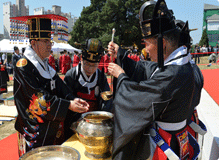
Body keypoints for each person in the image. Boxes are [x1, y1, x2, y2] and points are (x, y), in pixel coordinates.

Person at [107, 0, 204, 159]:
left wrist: (121, 76)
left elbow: (137, 99)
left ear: (162, 43)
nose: (145, 49)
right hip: (177, 136)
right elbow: (148, 69)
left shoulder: (173, 74)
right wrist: (121, 55)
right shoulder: (184, 66)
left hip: (164, 144)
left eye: (146, 43)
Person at [12, 15, 89, 157]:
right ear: (34, 43)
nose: (50, 45)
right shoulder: (23, 66)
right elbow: (38, 99)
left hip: (51, 126)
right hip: (34, 130)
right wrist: (68, 105)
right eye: (46, 41)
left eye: (50, 41)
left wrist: (73, 99)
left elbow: (61, 87)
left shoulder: (45, 64)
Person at [64, 38, 112, 140]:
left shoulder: (101, 76)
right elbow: (66, 97)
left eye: (94, 65)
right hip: (74, 121)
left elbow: (106, 99)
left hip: (95, 122)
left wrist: (102, 119)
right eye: (86, 64)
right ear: (81, 59)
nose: (90, 69)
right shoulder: (71, 75)